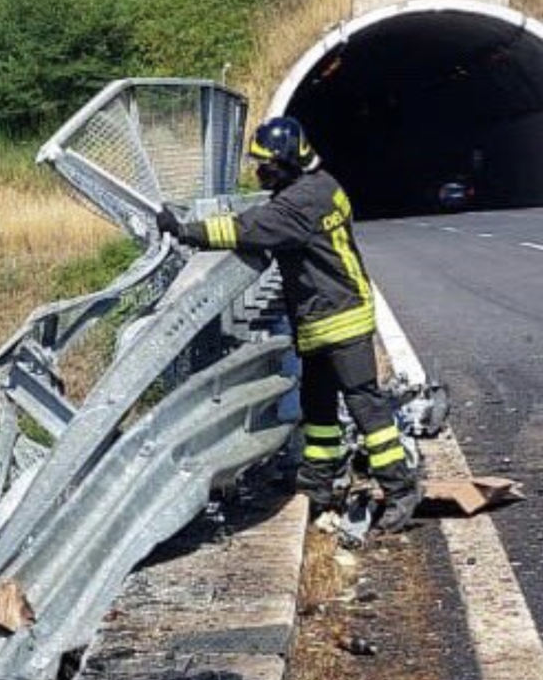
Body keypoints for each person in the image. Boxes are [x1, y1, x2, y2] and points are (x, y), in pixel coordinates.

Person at [155, 116, 421, 531]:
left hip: (339, 316)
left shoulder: (298, 205)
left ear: (287, 163)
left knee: (362, 402)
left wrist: (186, 231)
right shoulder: (323, 186)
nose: (258, 171)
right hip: (322, 316)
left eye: (265, 164)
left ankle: (401, 489)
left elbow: (248, 229)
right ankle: (318, 480)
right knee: (318, 406)